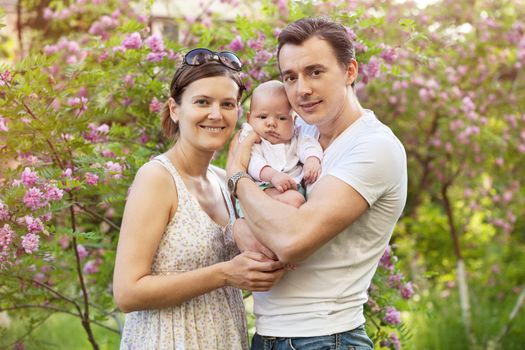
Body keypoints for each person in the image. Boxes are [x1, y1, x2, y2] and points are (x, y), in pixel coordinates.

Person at [227, 17, 408, 350]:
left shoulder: (373, 147)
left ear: (350, 71)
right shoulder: (298, 132)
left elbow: (293, 240)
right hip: (267, 336)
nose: (301, 90)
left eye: (315, 72)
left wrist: (236, 177)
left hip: (325, 338)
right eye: (290, 77)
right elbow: (241, 160)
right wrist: (240, 229)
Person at [113, 48, 285, 350]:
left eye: (227, 104)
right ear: (175, 108)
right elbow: (127, 293)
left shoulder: (224, 181)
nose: (216, 114)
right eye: (202, 102)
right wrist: (224, 274)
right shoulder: (157, 179)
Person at [238, 80, 322, 210]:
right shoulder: (252, 139)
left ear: (293, 121)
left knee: (296, 200)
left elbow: (309, 145)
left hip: (291, 187)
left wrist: (312, 160)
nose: (271, 123)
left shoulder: (296, 137)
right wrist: (273, 176)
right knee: (295, 200)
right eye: (262, 117)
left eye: (282, 118)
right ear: (249, 119)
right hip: (262, 187)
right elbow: (253, 162)